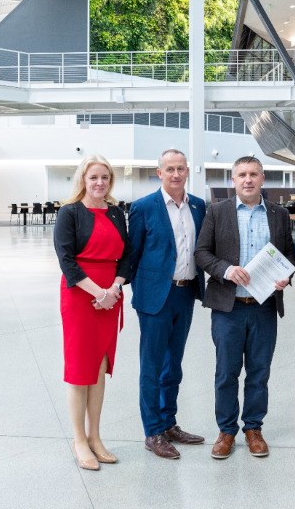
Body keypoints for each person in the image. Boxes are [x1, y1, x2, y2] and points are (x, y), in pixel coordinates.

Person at [195, 156, 295, 460]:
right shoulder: (217, 211)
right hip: (228, 307)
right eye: (242, 175)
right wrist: (225, 269)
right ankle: (226, 431)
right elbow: (201, 253)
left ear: (263, 179)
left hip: (264, 307)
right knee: (226, 372)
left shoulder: (278, 214)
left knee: (259, 372)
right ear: (233, 179)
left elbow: (289, 255)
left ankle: (253, 428)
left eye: (253, 174)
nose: (248, 180)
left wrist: (286, 277)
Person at [53, 154, 130, 471]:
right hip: (80, 297)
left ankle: (95, 436)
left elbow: (127, 256)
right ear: (82, 180)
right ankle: (79, 439)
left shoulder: (115, 212)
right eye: (94, 177)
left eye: (105, 178)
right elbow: (66, 260)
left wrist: (113, 290)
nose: (100, 183)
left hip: (109, 295)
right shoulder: (69, 213)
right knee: (79, 370)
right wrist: (98, 292)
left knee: (100, 368)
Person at [128, 149, 206, 460]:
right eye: (169, 169)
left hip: (185, 294)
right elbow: (132, 256)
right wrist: (142, 293)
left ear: (188, 171)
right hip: (155, 299)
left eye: (181, 169)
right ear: (159, 172)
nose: (175, 174)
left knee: (173, 365)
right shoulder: (144, 207)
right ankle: (153, 432)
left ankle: (169, 422)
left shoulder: (198, 206)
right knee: (152, 367)